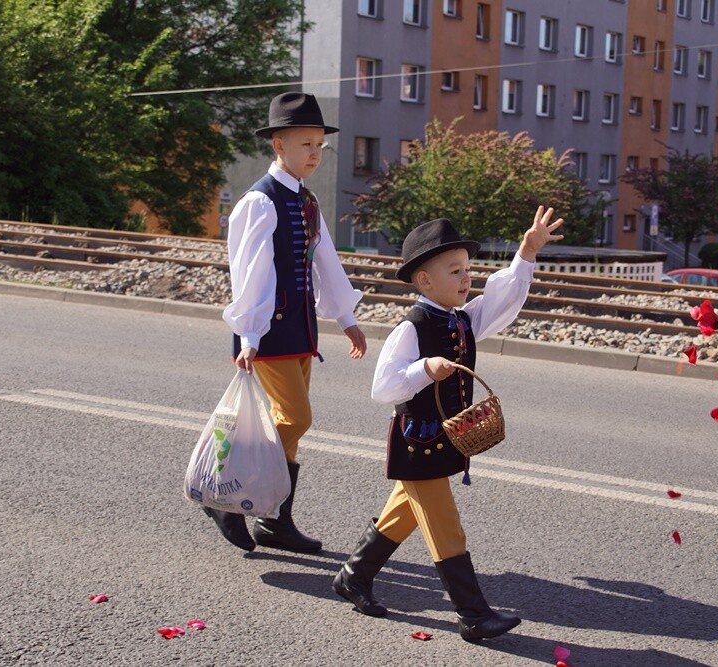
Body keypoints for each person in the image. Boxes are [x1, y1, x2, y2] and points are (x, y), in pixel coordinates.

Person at [332, 208, 564, 641]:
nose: (466, 278)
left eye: (467, 270)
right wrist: (424, 368)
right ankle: (473, 615)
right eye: (455, 271)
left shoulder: (462, 318)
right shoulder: (412, 327)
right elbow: (384, 388)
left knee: (402, 512)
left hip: (445, 439)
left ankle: (353, 575)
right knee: (444, 524)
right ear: (425, 281)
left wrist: (527, 253)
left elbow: (502, 300)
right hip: (417, 442)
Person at [203, 92, 368, 555]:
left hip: (301, 329)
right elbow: (251, 271)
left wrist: (347, 317)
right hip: (268, 330)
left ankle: (276, 521)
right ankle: (227, 496)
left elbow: (325, 262)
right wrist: (250, 334)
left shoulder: (307, 199)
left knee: (286, 424)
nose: (315, 153)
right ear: (278, 144)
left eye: (319, 145)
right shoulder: (260, 201)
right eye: (305, 144)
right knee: (296, 418)